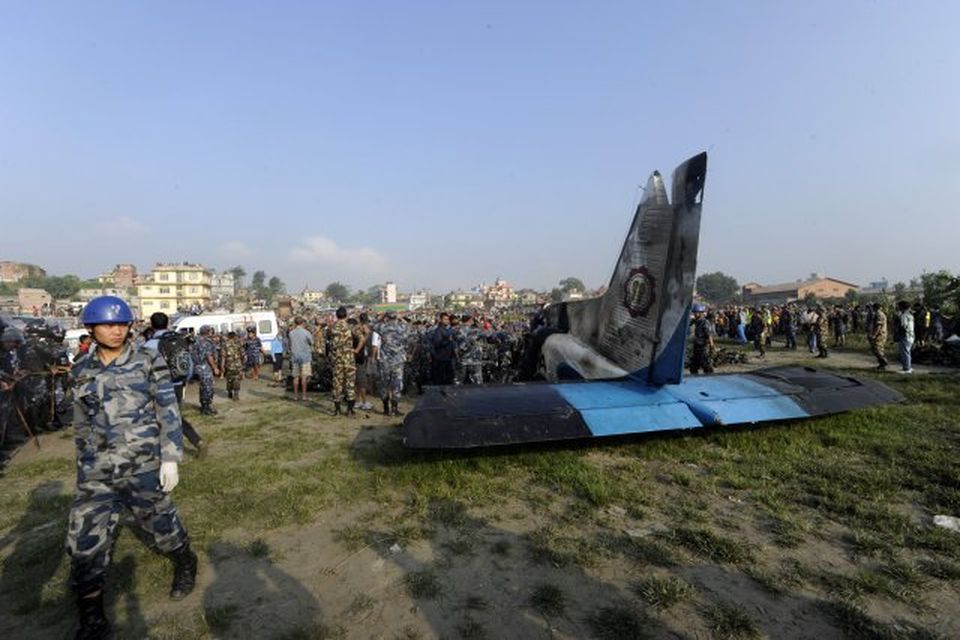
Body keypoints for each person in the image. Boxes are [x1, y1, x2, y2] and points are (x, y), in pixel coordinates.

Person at [66, 296, 196, 639]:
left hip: (142, 464)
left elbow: (167, 408)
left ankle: (185, 560)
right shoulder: (80, 369)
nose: (116, 331)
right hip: (97, 471)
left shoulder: (147, 359)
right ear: (91, 328)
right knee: (85, 542)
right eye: (109, 325)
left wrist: (170, 458)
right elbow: (81, 423)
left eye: (122, 324)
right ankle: (92, 619)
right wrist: (83, 464)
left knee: (162, 523)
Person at [143, 313, 207, 454]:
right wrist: (185, 379)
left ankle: (169, 448)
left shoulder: (149, 345)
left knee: (159, 417)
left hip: (159, 385)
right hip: (178, 383)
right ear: (167, 324)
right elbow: (188, 362)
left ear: (152, 326)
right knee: (175, 415)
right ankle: (196, 441)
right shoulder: (179, 339)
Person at [376, 310, 408, 416]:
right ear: (396, 317)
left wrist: (382, 317)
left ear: (387, 317)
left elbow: (372, 325)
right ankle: (395, 409)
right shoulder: (402, 328)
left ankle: (386, 408)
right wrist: (400, 318)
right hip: (398, 361)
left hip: (385, 361)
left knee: (384, 385)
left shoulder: (382, 327)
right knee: (397, 385)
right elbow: (408, 326)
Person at [329, 307, 357, 416]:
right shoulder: (351, 326)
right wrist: (356, 350)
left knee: (337, 384)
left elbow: (330, 343)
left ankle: (337, 410)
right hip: (349, 358)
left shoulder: (332, 327)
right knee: (350, 384)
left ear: (336, 315)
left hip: (337, 359)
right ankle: (350, 410)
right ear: (346, 315)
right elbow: (362, 337)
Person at [191, 325, 220, 415]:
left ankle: (205, 406)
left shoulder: (197, 341)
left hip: (197, 367)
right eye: (210, 331)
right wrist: (215, 367)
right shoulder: (205, 342)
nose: (211, 332)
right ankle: (206, 408)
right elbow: (209, 356)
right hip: (204, 367)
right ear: (207, 331)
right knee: (208, 387)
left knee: (203, 387)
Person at [287, 317, 314, 401]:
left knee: (295, 377)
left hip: (295, 357)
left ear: (295, 323)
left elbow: (289, 344)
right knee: (304, 377)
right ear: (303, 323)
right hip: (305, 357)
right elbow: (311, 342)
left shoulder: (291, 333)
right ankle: (304, 396)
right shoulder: (306, 333)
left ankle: (295, 396)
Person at [688, 303, 714, 374]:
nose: (695, 314)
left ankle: (710, 377)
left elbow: (709, 334)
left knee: (705, 365)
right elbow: (688, 324)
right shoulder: (696, 321)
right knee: (693, 366)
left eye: (696, 313)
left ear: (701, 313)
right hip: (696, 346)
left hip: (702, 346)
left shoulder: (704, 322)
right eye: (694, 313)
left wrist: (711, 345)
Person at [222, 331, 244, 400]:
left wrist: (222, 366)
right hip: (238, 365)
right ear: (235, 336)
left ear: (228, 337)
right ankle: (236, 394)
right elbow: (243, 355)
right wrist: (242, 363)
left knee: (229, 380)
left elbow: (223, 356)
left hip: (229, 365)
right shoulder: (238, 344)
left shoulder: (225, 344)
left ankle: (230, 392)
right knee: (237, 379)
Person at [895, 300, 915, 373]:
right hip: (911, 336)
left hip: (905, 336)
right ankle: (908, 366)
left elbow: (902, 326)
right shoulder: (910, 315)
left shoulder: (903, 316)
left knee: (905, 353)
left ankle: (907, 368)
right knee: (907, 352)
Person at [868, 302, 888, 371]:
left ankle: (883, 362)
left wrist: (874, 335)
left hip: (880, 334)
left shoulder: (878, 314)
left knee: (877, 349)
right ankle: (881, 364)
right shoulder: (880, 314)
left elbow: (878, 326)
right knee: (877, 349)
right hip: (881, 333)